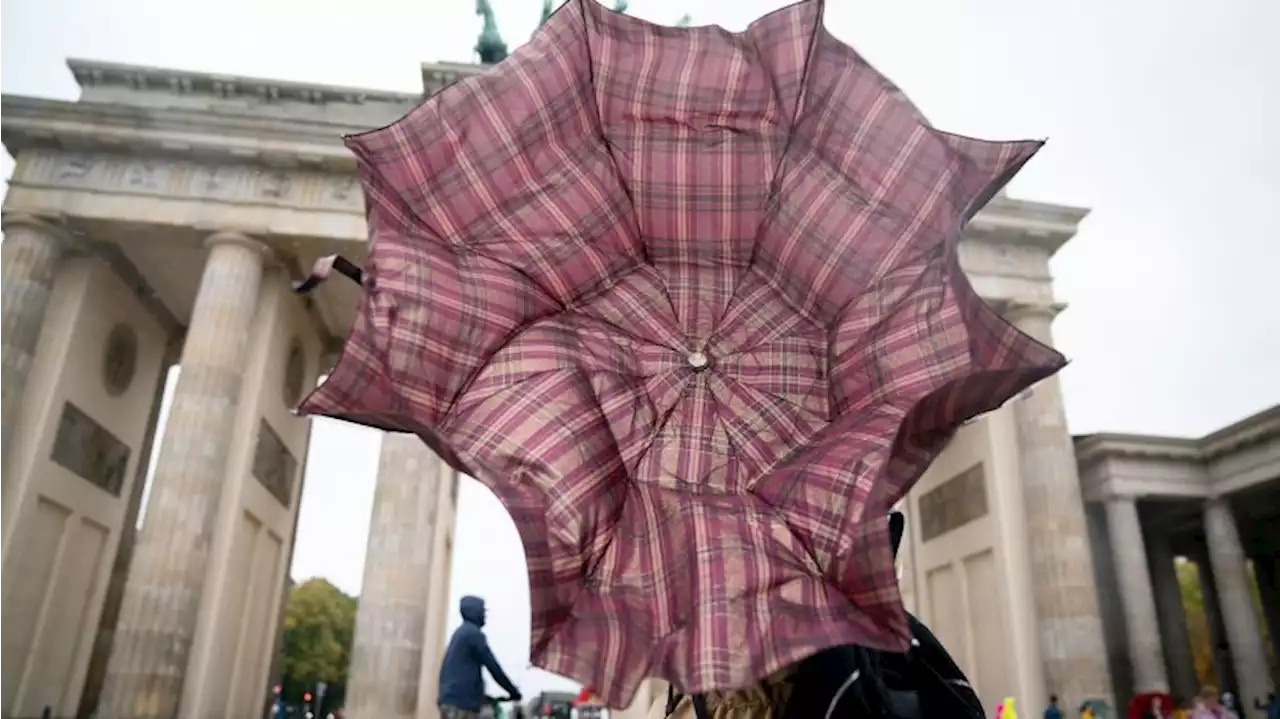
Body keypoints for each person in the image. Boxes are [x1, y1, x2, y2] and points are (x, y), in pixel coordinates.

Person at [438, 596, 521, 719]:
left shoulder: (461, 633)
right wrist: (513, 691)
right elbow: (493, 667)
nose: (484, 615)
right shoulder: (473, 634)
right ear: (475, 612)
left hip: (451, 699)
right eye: (482, 611)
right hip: (461, 703)